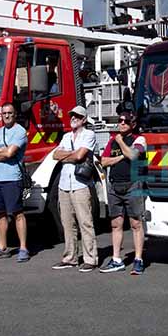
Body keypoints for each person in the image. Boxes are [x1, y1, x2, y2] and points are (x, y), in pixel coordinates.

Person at [98, 105, 147, 275]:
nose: (122, 123)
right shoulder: (111, 141)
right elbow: (103, 161)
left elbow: (134, 155)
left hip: (133, 185)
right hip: (114, 185)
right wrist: (120, 156)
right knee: (115, 223)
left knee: (136, 223)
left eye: (126, 121)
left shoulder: (139, 139)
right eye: (120, 120)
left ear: (133, 124)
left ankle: (138, 259)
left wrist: (120, 143)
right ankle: (117, 259)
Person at [50, 105, 98, 271]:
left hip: (80, 184)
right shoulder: (66, 136)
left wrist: (68, 155)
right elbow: (55, 155)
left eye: (77, 116)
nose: (73, 118)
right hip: (64, 184)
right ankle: (70, 258)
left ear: (84, 119)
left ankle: (90, 259)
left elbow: (80, 155)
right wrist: (72, 154)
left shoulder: (89, 134)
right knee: (67, 223)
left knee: (85, 222)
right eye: (72, 115)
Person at [0, 102, 29, 262]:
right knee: (0, 214)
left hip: (12, 179)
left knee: (17, 214)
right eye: (4, 113)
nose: (7, 116)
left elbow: (10, 153)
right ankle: (2, 247)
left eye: (9, 113)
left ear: (15, 114)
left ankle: (23, 248)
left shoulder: (20, 131)